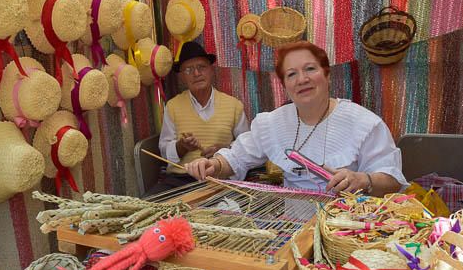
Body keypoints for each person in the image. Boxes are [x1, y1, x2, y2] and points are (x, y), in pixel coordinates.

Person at [185, 41, 407, 196]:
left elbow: (392, 180)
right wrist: (213, 165)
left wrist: (364, 180)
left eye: (310, 69)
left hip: (345, 228)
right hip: (293, 226)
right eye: (291, 74)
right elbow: (236, 158)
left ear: (326, 75)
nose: (302, 79)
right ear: (284, 85)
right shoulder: (273, 123)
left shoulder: (364, 124)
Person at [152, 41, 249, 193]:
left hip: (221, 179)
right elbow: (164, 150)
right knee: (151, 205)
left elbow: (246, 147)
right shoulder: (173, 106)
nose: (196, 74)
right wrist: (181, 147)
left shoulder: (234, 106)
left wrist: (223, 150)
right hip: (181, 180)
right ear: (182, 77)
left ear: (211, 70)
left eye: (201, 67)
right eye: (189, 70)